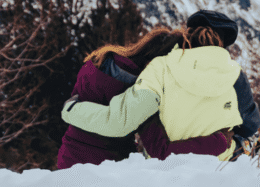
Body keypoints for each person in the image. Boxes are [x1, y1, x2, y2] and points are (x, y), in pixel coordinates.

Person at [61, 10, 260, 161]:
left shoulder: (161, 68)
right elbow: (250, 125)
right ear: (224, 44)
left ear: (187, 33)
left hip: (165, 169)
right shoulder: (235, 75)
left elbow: (120, 123)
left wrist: (70, 111)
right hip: (217, 165)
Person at [56, 27, 188, 169]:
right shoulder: (144, 88)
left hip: (69, 156)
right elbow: (153, 143)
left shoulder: (100, 61)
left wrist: (71, 109)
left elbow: (79, 97)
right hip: (106, 166)